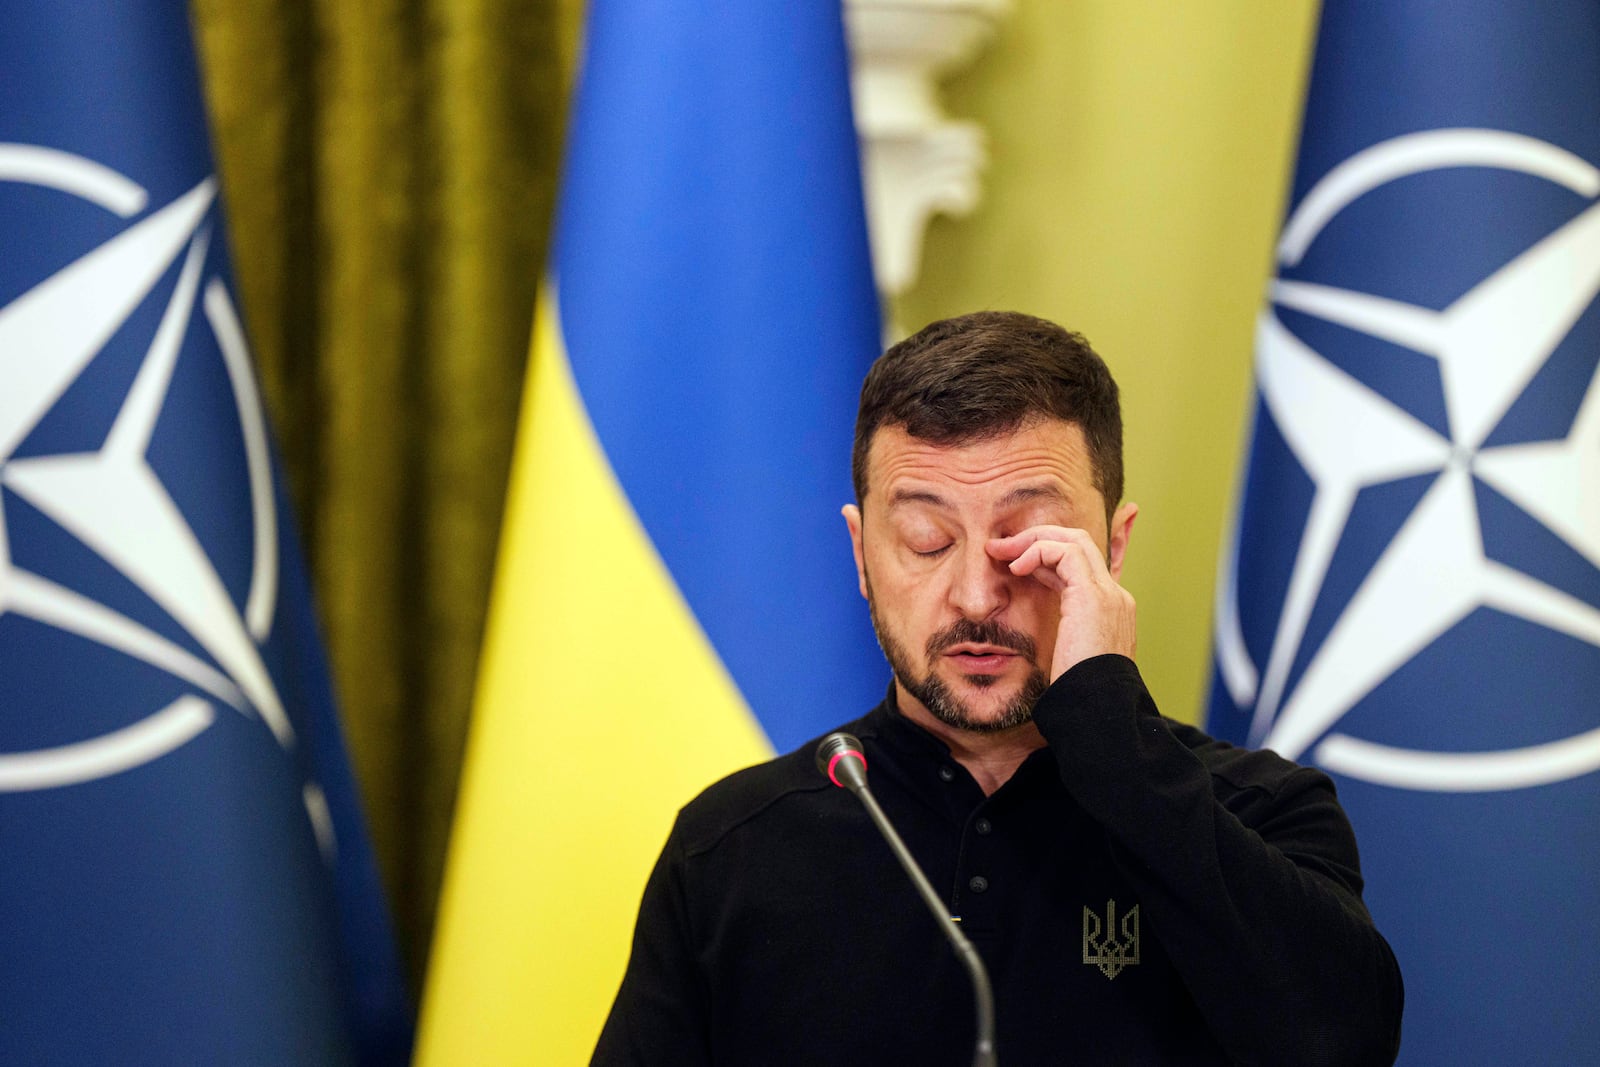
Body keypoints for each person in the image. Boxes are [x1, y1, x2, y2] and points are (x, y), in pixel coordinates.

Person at [592, 311, 1404, 1066]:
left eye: (1025, 539)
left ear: (1111, 548)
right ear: (862, 555)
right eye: (927, 539)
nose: (977, 595)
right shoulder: (731, 848)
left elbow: (1347, 1044)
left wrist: (1115, 743)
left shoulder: (1261, 809)